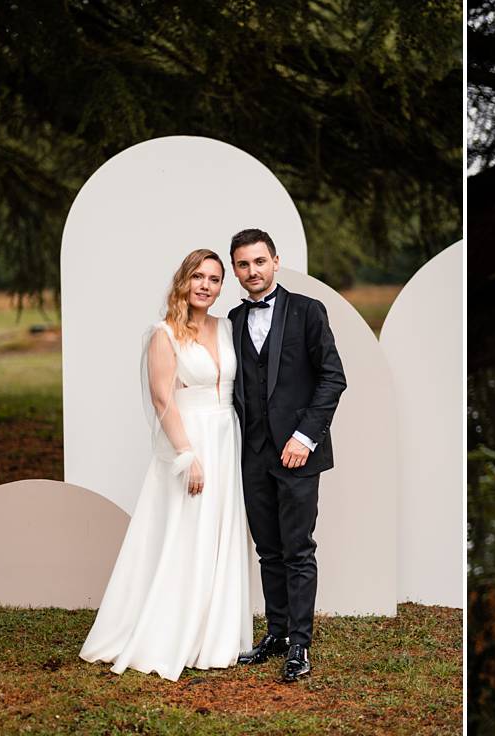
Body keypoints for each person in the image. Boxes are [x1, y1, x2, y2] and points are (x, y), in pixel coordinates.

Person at [80, 249, 252, 681]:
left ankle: (214, 636)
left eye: (214, 279)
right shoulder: (163, 333)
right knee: (185, 533)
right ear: (184, 280)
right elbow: (162, 398)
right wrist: (186, 455)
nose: (206, 285)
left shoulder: (228, 327)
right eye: (198, 276)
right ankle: (169, 630)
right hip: (190, 441)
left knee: (219, 533)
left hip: (226, 436)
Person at [226, 228, 346, 683]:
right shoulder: (232, 321)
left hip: (298, 452)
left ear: (276, 261)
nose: (252, 271)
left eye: (259, 261)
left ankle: (300, 644)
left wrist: (305, 437)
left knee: (298, 548)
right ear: (235, 269)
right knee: (268, 549)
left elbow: (332, 378)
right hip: (253, 452)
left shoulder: (308, 312)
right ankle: (275, 633)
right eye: (243, 264)